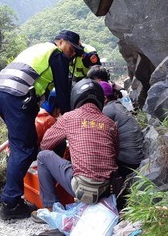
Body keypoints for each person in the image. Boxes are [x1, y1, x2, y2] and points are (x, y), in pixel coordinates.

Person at [0, 30, 83, 220]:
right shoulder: (56, 54)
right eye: (71, 48)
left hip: (1, 92)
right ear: (60, 42)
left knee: (25, 144)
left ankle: (16, 190)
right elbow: (63, 91)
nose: (72, 54)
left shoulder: (40, 48)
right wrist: (69, 120)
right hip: (16, 95)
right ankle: (10, 203)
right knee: (23, 149)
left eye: (76, 52)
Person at [35, 79, 119, 214]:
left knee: (43, 156)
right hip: (107, 189)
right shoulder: (110, 124)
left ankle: (51, 209)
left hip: (83, 189)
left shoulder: (69, 117)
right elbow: (115, 153)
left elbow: (45, 144)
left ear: (75, 98)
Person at [98, 81, 144, 209]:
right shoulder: (118, 105)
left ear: (105, 98)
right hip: (136, 158)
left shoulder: (107, 110)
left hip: (126, 161)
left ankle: (107, 203)